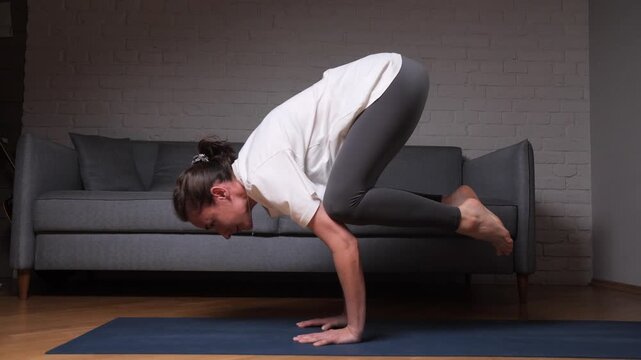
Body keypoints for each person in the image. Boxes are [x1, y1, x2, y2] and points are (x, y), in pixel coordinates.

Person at [173, 53, 513, 346]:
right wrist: (348, 311)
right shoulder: (257, 172)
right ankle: (453, 201)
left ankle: (464, 219)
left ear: (220, 192)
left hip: (392, 83)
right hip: (398, 80)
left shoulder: (262, 172)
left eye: (213, 223)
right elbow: (342, 227)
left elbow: (344, 244)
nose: (224, 235)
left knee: (343, 202)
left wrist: (354, 327)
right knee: (346, 200)